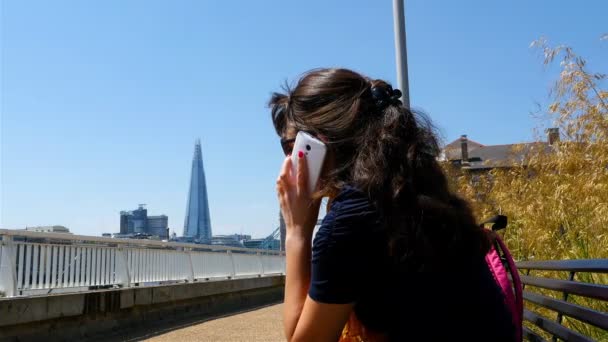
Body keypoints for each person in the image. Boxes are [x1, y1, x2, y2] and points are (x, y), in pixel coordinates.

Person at [271, 68, 516, 342]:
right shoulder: (412, 193)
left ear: (316, 145)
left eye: (290, 147)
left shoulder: (349, 221)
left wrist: (296, 231)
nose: (290, 160)